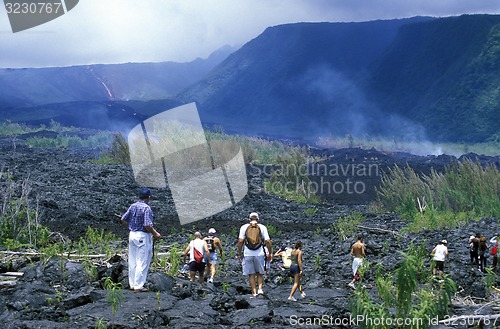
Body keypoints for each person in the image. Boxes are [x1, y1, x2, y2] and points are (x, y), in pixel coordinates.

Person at [121, 187, 161, 292]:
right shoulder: (146, 208)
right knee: (142, 260)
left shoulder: (133, 206)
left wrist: (132, 225)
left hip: (132, 234)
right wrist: (155, 233)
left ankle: (132, 283)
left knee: (133, 260)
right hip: (142, 235)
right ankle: (138, 285)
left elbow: (123, 218)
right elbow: (147, 224)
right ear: (148, 197)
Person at [237, 212, 272, 297]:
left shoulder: (244, 227)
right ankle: (260, 289)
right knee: (260, 272)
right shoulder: (262, 227)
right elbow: (267, 241)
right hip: (259, 253)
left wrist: (239, 253)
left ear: (249, 219)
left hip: (247, 253)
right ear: (258, 219)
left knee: (251, 274)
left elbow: (240, 241)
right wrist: (270, 253)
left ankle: (254, 292)